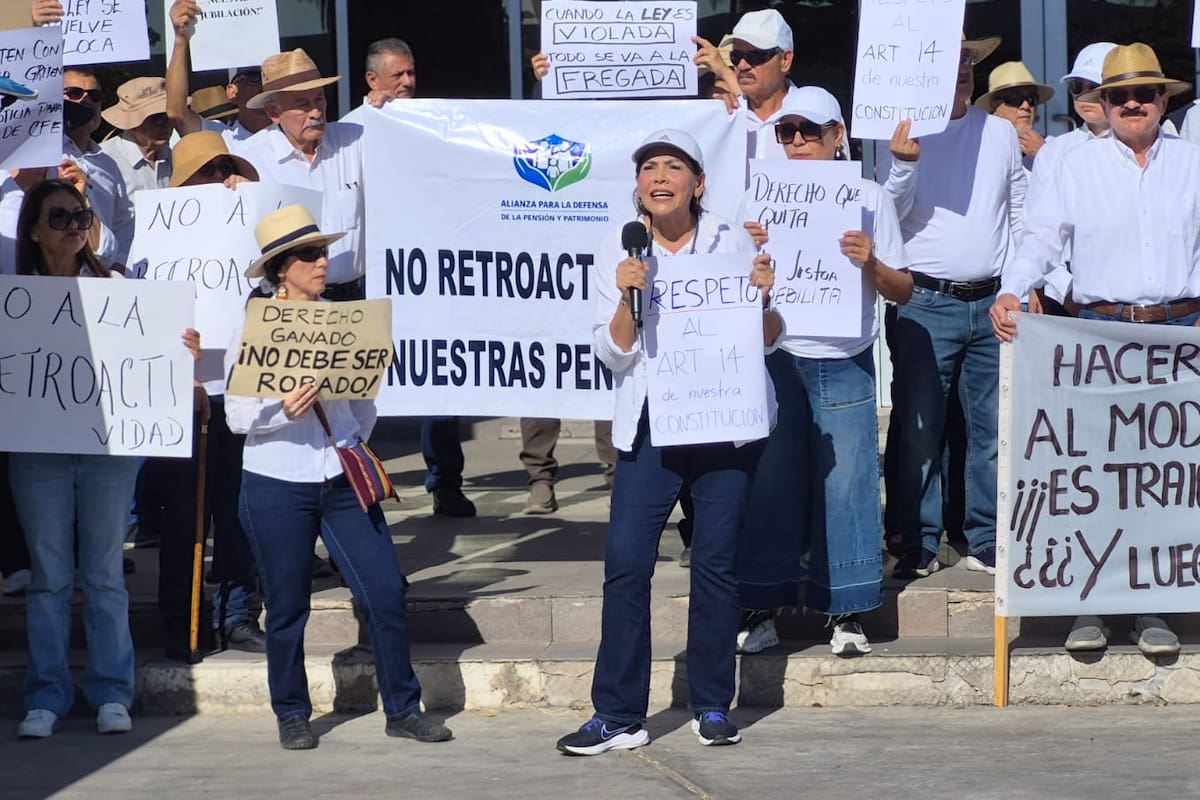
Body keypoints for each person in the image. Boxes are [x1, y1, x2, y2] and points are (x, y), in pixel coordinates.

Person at [556, 130, 781, 756]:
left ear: (697, 184)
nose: (659, 177)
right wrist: (630, 293)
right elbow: (613, 352)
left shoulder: (732, 241)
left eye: (673, 167)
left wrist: (762, 298)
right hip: (651, 425)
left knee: (715, 567)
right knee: (626, 564)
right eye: (648, 167)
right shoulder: (618, 246)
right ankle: (619, 715)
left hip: (722, 425)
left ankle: (712, 704)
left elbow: (770, 336)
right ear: (638, 186)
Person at [990, 43, 1198, 658]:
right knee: (1101, 474)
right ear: (1101, 104)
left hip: (1179, 336)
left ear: (1164, 100)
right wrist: (1011, 288)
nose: (1131, 103)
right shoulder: (1074, 166)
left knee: (1164, 480)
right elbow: (1041, 238)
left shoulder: (1193, 162)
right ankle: (1092, 602)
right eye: (1118, 95)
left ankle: (1153, 602)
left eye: (1144, 94)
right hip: (1097, 335)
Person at [226, 204, 452, 750]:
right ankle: (292, 712)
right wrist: (284, 408)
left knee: (385, 592)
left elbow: (365, 404)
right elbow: (236, 416)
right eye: (308, 254)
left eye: (322, 250)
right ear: (282, 267)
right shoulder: (255, 325)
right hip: (277, 479)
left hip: (341, 475)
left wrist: (347, 430)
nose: (321, 261)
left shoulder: (347, 318)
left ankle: (403, 707)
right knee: (286, 605)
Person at [11, 180, 197, 738]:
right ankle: (46, 695)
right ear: (36, 230)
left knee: (104, 574)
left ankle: (112, 691)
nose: (73, 225)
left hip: (111, 450)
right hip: (38, 450)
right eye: (60, 216)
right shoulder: (14, 296)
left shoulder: (119, 287)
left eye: (81, 214)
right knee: (49, 577)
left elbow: (154, 353)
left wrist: (179, 348)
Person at [736, 88, 913, 657]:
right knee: (770, 486)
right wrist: (751, 255)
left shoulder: (870, 197)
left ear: (839, 134)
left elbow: (903, 290)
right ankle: (761, 605)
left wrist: (871, 263)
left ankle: (849, 613)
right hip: (774, 358)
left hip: (845, 361)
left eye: (809, 131)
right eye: (786, 132)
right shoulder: (756, 198)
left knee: (850, 488)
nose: (796, 143)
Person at [878, 33, 1023, 579]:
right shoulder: (904, 133)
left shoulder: (1002, 132)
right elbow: (884, 215)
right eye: (948, 61)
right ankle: (916, 541)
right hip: (924, 299)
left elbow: (1020, 212)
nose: (961, 70)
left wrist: (1019, 283)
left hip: (991, 299)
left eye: (966, 61)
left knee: (991, 428)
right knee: (919, 430)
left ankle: (985, 537)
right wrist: (902, 165)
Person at [139, 132, 266, 659]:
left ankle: (238, 613)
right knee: (181, 517)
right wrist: (178, 368)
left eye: (225, 169)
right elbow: (138, 314)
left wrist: (247, 207)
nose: (218, 180)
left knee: (236, 513)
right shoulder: (156, 232)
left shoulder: (249, 222)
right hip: (182, 392)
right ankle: (183, 619)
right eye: (208, 171)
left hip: (240, 390)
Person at [1, 67, 135, 275]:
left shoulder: (102, 166)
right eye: (73, 94)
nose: (86, 101)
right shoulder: (15, 170)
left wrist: (117, 269)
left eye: (95, 96)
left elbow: (118, 231)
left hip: (80, 290)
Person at [1027, 42, 1117, 318]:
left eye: (1094, 87)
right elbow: (1034, 227)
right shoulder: (1053, 151)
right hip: (1061, 293)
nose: (1085, 96)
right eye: (1078, 87)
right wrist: (1048, 287)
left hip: (1129, 295)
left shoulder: (1151, 150)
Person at [693, 8, 801, 160]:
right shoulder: (723, 113)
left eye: (756, 56)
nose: (743, 65)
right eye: (736, 57)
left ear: (785, 60)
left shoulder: (815, 115)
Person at [165, 0, 270, 143]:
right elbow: (176, 112)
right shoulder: (221, 138)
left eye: (271, 76)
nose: (265, 84)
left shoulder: (296, 134)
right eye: (255, 77)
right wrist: (181, 40)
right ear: (232, 92)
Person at [975, 61, 1054, 173]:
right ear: (994, 108)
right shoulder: (979, 152)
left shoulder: (1055, 147)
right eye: (1015, 99)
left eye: (1032, 99)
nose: (1025, 106)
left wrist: (1044, 153)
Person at [341, 37, 417, 124]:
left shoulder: (429, 118)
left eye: (410, 73)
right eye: (398, 75)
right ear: (373, 80)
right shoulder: (352, 128)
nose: (408, 82)